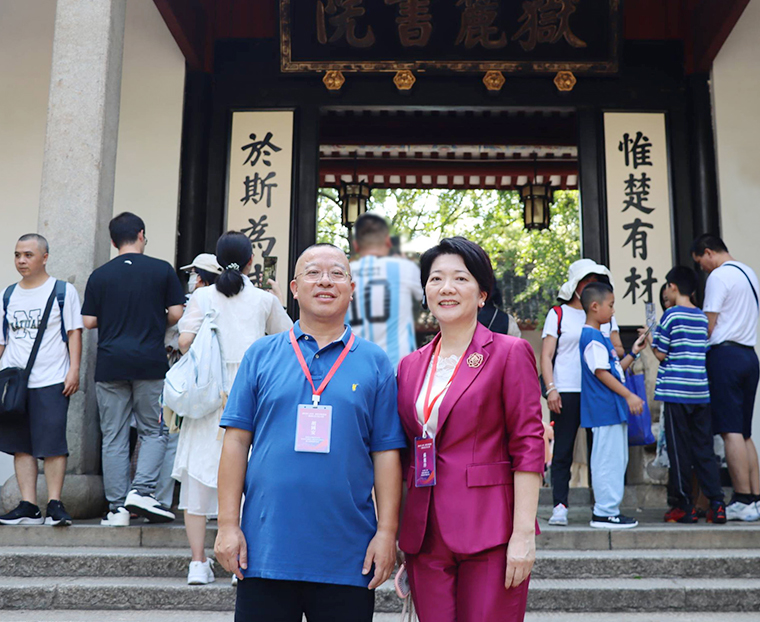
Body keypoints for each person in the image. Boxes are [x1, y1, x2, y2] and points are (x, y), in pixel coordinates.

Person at [215, 243, 406, 622]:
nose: (325, 281)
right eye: (313, 273)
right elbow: (236, 441)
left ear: (352, 289)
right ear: (294, 288)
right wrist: (227, 525)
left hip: (348, 555)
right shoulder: (261, 354)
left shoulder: (375, 362)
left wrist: (387, 533)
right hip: (264, 550)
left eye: (337, 273)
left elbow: (386, 453)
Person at [396, 237, 544, 622]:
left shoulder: (509, 352)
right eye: (436, 279)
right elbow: (406, 451)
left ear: (481, 294)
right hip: (425, 535)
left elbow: (528, 445)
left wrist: (523, 534)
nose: (446, 288)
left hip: (490, 530)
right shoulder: (410, 366)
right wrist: (399, 533)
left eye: (460, 278)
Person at [172, 233, 292, 585]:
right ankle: (242, 562)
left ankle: (198, 563)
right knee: (248, 473)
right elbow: (287, 339)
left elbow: (184, 341)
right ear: (251, 262)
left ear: (217, 261)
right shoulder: (264, 300)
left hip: (207, 394)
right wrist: (279, 301)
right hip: (251, 393)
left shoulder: (202, 295)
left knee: (198, 476)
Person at [81, 212, 185, 526]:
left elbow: (88, 321)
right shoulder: (162, 270)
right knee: (154, 431)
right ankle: (141, 491)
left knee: (113, 435)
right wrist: (154, 319)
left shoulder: (100, 275)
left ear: (113, 242)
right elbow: (177, 313)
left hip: (111, 363)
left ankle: (117, 509)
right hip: (150, 363)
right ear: (141, 234)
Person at [0, 234, 83, 526]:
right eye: (17, 255)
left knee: (53, 443)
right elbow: (3, 341)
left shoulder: (62, 291)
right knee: (20, 444)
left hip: (51, 378)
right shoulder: (8, 294)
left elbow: (74, 332)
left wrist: (74, 369)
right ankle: (29, 506)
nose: (21, 261)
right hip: (14, 382)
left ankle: (54, 503)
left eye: (28, 255)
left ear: (44, 257)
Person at [541, 259, 624, 526]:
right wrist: (551, 388)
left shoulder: (606, 313)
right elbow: (546, 355)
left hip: (598, 391)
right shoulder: (558, 314)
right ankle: (560, 506)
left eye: (596, 281)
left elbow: (617, 349)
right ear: (575, 284)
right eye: (587, 281)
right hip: (566, 389)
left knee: (599, 451)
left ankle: (601, 506)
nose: (591, 286)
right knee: (563, 449)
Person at [645, 266, 726, 524]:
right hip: (700, 391)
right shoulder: (702, 317)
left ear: (672, 287)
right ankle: (717, 503)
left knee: (679, 450)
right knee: (704, 449)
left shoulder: (670, 315)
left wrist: (650, 338)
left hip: (676, 391)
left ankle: (684, 506)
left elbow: (660, 353)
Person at [692, 234, 760, 521]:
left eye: (700, 262)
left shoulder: (719, 277)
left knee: (730, 430)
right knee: (744, 432)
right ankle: (755, 498)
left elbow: (708, 325)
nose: (702, 268)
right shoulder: (749, 273)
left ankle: (742, 498)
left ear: (709, 252)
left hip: (725, 356)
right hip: (749, 356)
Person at [156, 253, 223, 510]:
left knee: (176, 438)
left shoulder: (198, 299)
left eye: (194, 273)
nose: (191, 278)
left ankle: (167, 499)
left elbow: (183, 341)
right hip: (212, 381)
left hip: (191, 381)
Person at [580, 282, 646, 530]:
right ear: (595, 307)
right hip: (605, 409)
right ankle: (604, 513)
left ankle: (608, 511)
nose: (613, 310)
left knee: (614, 460)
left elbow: (614, 370)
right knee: (608, 461)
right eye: (611, 305)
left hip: (610, 410)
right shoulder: (592, 337)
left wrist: (634, 352)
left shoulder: (598, 336)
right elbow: (601, 373)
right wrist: (629, 395)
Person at [347, 213, 423, 369]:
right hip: (397, 366)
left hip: (353, 366)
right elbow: (427, 298)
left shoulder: (345, 272)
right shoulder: (405, 268)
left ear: (356, 245)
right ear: (388, 241)